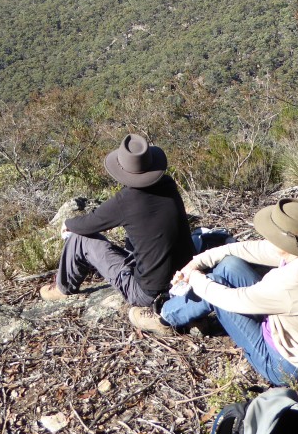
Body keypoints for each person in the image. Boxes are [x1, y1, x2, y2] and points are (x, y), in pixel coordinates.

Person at [131, 198, 298, 387]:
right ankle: (189, 311)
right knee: (230, 265)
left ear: (287, 242)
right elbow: (245, 249)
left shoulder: (291, 281)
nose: (269, 239)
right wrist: (196, 263)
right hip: (291, 331)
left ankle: (165, 319)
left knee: (213, 286)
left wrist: (196, 279)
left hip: (282, 364)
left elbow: (230, 300)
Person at [39, 134, 194, 315]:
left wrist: (68, 223)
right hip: (184, 278)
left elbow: (89, 223)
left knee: (79, 239)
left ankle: (63, 288)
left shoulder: (127, 200)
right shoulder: (168, 185)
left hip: (147, 293)